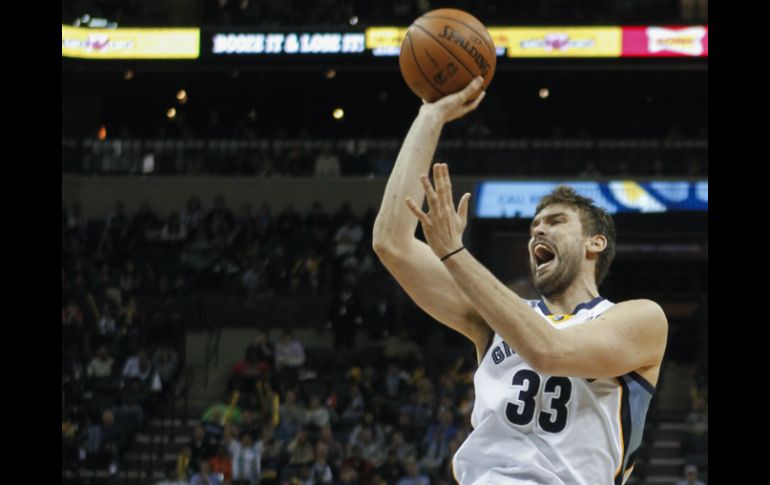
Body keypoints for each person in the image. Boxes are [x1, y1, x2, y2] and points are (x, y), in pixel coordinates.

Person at [372, 77, 668, 484]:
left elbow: (551, 352)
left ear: (594, 242)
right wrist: (430, 115)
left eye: (556, 221)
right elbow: (392, 243)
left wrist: (454, 255)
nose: (538, 233)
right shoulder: (497, 318)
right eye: (533, 227)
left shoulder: (641, 319)